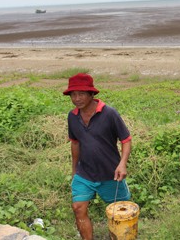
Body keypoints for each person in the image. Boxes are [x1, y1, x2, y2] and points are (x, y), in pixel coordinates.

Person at [63, 73, 132, 240]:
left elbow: (126, 140)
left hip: (110, 173)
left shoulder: (109, 113)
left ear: (91, 94)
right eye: (73, 94)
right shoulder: (72, 117)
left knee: (121, 211)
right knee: (78, 208)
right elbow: (75, 143)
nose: (76, 98)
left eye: (81, 94)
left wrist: (122, 164)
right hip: (84, 173)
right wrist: (74, 171)